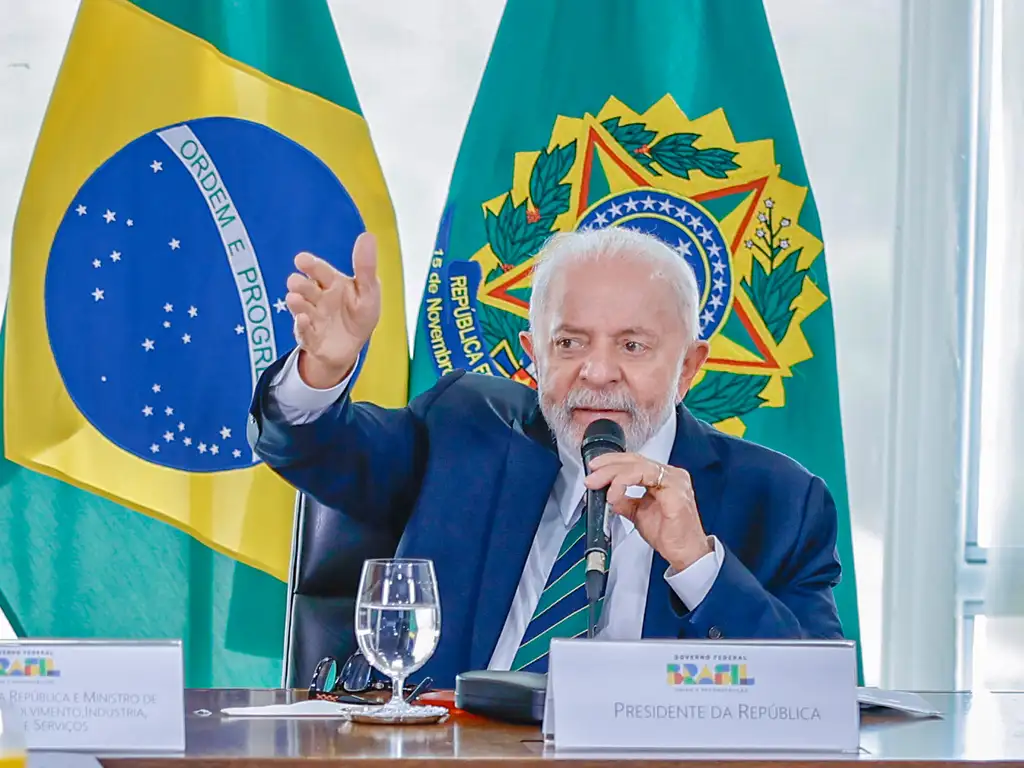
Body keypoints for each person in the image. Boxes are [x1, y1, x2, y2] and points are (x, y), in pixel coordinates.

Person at [247, 226, 845, 687]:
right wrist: (322, 369)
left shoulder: (780, 501)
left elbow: (814, 697)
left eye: (633, 346)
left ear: (688, 366)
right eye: (570, 342)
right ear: (534, 352)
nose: (597, 371)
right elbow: (320, 449)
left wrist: (695, 561)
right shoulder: (465, 428)